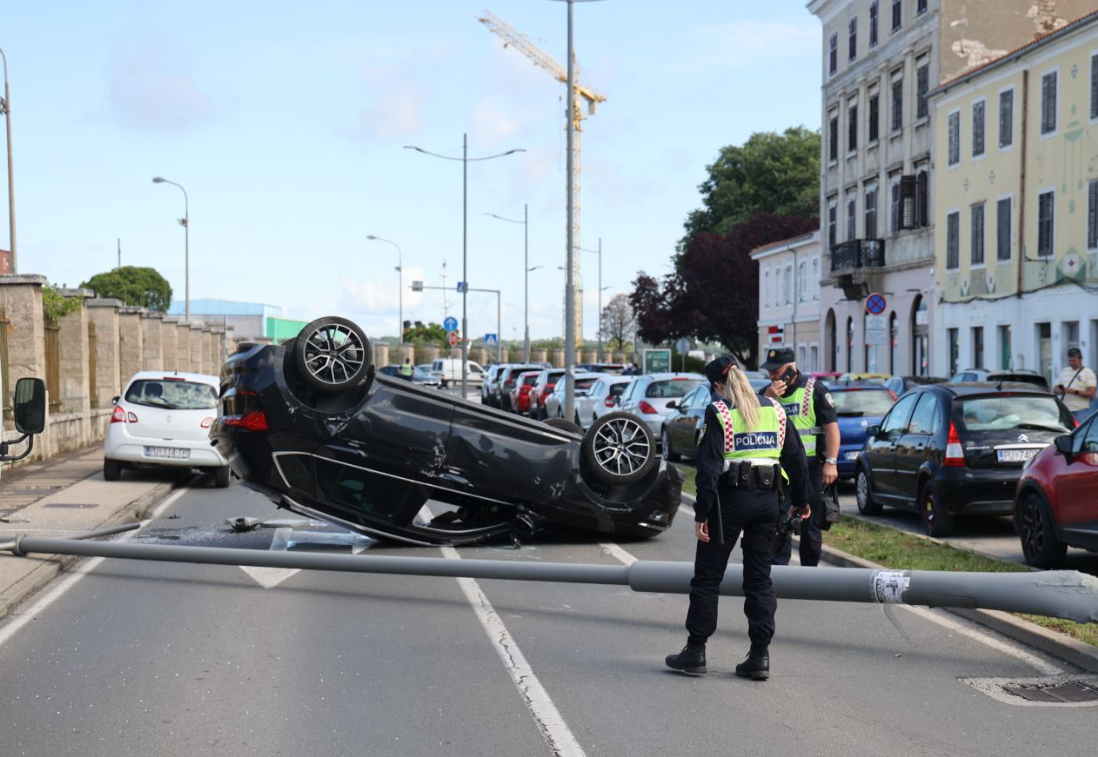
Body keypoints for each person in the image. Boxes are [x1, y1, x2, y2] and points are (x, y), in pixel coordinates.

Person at [665, 356, 810, 681]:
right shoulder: (775, 409)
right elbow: (796, 457)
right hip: (768, 501)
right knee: (759, 580)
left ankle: (695, 651)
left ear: (718, 385)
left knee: (707, 578)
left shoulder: (719, 411)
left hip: (728, 503)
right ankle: (759, 656)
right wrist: (801, 502)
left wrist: (701, 513)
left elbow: (709, 467)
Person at [761, 348, 839, 568]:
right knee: (779, 519)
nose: (772, 377)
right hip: (778, 468)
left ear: (791, 369)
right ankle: (779, 570)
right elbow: (755, 421)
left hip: (811, 467)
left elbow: (832, 428)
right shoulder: (766, 393)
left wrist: (831, 462)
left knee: (810, 523)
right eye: (770, 372)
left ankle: (809, 573)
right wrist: (768, 398)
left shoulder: (815, 390)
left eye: (776, 372)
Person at [1054, 348, 1096, 424]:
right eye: (1070, 361)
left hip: (1080, 411)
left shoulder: (1088, 372)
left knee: (1079, 434)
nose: (1072, 363)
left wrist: (1075, 392)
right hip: (1065, 411)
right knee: (1064, 433)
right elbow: (1055, 389)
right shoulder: (1064, 371)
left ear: (1081, 359)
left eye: (1074, 361)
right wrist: (1061, 390)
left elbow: (1092, 394)